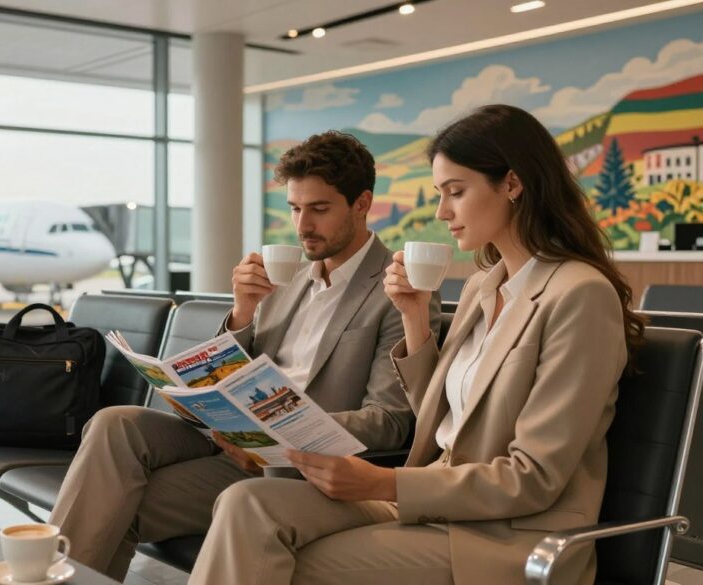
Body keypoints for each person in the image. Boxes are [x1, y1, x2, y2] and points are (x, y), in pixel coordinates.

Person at [187, 104, 645, 585]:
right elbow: (443, 415)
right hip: (436, 500)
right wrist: (413, 319)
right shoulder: (483, 286)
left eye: (456, 192)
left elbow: (533, 477)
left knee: (283, 560)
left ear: (512, 184)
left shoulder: (579, 294)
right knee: (247, 503)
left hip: (506, 533)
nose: (442, 211)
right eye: (439, 194)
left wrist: (384, 481)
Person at [48, 130, 439, 582]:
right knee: (114, 423)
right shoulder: (285, 276)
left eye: (319, 209)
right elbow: (233, 369)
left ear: (362, 203)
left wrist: (281, 433)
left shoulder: (398, 291)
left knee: (113, 509)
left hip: (293, 468)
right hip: (230, 441)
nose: (302, 226)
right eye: (294, 208)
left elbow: (390, 419)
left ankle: (54, 575)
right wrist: (242, 312)